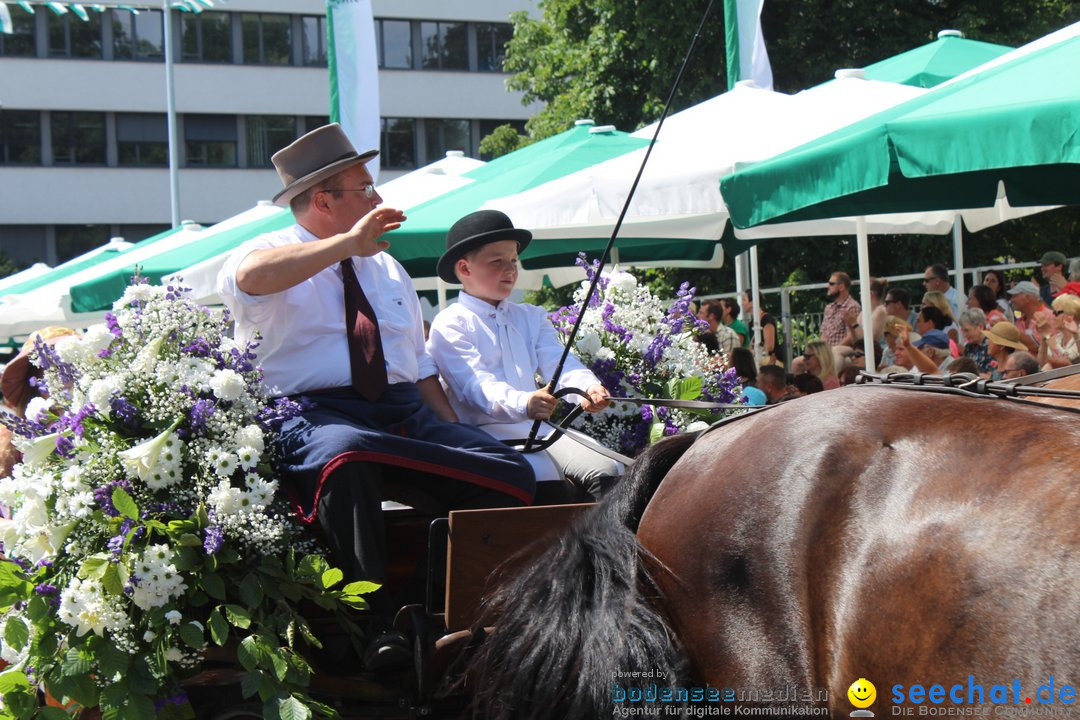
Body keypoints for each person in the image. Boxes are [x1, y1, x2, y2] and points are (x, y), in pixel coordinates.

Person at [216, 124, 535, 667]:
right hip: (315, 416)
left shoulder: (386, 267)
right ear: (322, 200)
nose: (379, 198)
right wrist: (344, 245)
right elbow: (249, 278)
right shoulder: (270, 250)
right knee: (347, 452)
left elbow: (420, 363)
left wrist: (453, 430)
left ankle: (453, 609)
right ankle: (374, 625)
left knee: (512, 473)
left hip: (401, 412)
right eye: (365, 189)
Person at [426, 210, 617, 502]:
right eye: (497, 261)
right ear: (464, 269)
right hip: (485, 434)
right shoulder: (450, 323)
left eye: (513, 260)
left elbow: (558, 361)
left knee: (608, 469)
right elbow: (476, 386)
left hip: (538, 429)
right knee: (541, 477)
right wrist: (524, 402)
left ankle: (605, 547)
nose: (510, 270)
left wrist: (585, 389)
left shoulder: (530, 315)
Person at [0, 327, 81, 480]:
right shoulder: (12, 443)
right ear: (35, 378)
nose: (65, 373)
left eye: (71, 362)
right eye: (51, 366)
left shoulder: (108, 422)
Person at [1034, 293, 1080, 369]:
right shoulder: (1057, 338)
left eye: (1056, 313)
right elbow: (1040, 365)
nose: (1053, 317)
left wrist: (1048, 335)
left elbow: (1064, 361)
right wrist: (1043, 340)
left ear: (1070, 316)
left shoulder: (1078, 335)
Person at [741, 290, 783, 366]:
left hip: (772, 360)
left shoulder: (766, 319)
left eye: (744, 300)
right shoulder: (752, 322)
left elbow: (769, 346)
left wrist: (751, 352)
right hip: (762, 359)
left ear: (752, 302)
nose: (741, 303)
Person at [1006, 281, 1048, 352]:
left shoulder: (1047, 317)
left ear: (1027, 298)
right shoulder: (1020, 322)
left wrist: (1012, 330)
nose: (1011, 300)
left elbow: (1038, 347)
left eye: (1014, 296)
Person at [820, 272, 860, 347]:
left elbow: (851, 337)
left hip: (842, 353)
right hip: (827, 352)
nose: (828, 286)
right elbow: (823, 335)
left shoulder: (852, 306)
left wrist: (833, 351)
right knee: (799, 359)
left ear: (841, 287)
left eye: (831, 284)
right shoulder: (828, 308)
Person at [958, 308, 993, 375]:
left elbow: (992, 376)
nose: (964, 335)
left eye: (967, 330)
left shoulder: (992, 346)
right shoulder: (969, 347)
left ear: (980, 327)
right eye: (962, 331)